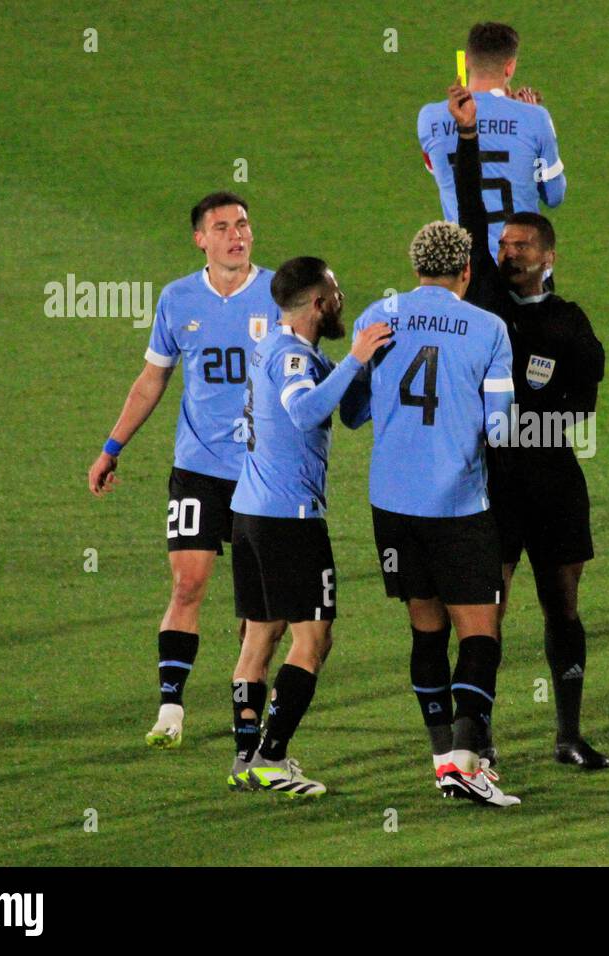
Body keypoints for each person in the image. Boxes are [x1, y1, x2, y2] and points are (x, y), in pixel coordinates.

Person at [448, 82, 609, 769]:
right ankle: (476, 737)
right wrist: (468, 138)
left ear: (547, 255)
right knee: (487, 608)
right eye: (504, 245)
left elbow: (584, 407)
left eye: (520, 245)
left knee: (562, 605)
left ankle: (568, 734)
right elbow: (468, 210)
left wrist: (529, 422)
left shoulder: (570, 323)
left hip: (553, 483)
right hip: (491, 484)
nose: (508, 253)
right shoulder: (486, 299)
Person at [88, 192, 278, 749]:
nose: (236, 235)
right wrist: (112, 447)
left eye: (242, 224)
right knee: (187, 583)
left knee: (257, 603)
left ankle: (246, 709)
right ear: (200, 239)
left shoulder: (278, 294)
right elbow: (153, 379)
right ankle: (171, 707)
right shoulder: (177, 299)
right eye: (222, 227)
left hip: (262, 472)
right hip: (197, 468)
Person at [351, 220, 520, 807]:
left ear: (416, 268)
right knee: (480, 634)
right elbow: (499, 427)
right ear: (466, 271)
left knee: (426, 630)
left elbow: (352, 411)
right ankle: (468, 763)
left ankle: (442, 757)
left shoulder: (378, 315)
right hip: (457, 505)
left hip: (392, 503)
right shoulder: (489, 328)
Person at [224, 257, 390, 797]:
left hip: (251, 514)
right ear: (318, 302)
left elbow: (349, 413)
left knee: (260, 636)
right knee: (313, 638)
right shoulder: (293, 356)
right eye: (335, 292)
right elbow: (303, 411)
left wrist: (364, 369)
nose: (342, 300)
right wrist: (356, 357)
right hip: (288, 520)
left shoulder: (282, 348)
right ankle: (272, 757)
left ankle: (246, 759)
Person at [418, 22, 565, 259]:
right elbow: (554, 195)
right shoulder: (535, 117)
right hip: (519, 267)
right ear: (510, 67)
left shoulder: (429, 118)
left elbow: (442, 171)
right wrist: (526, 116)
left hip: (465, 269)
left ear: (467, 60)